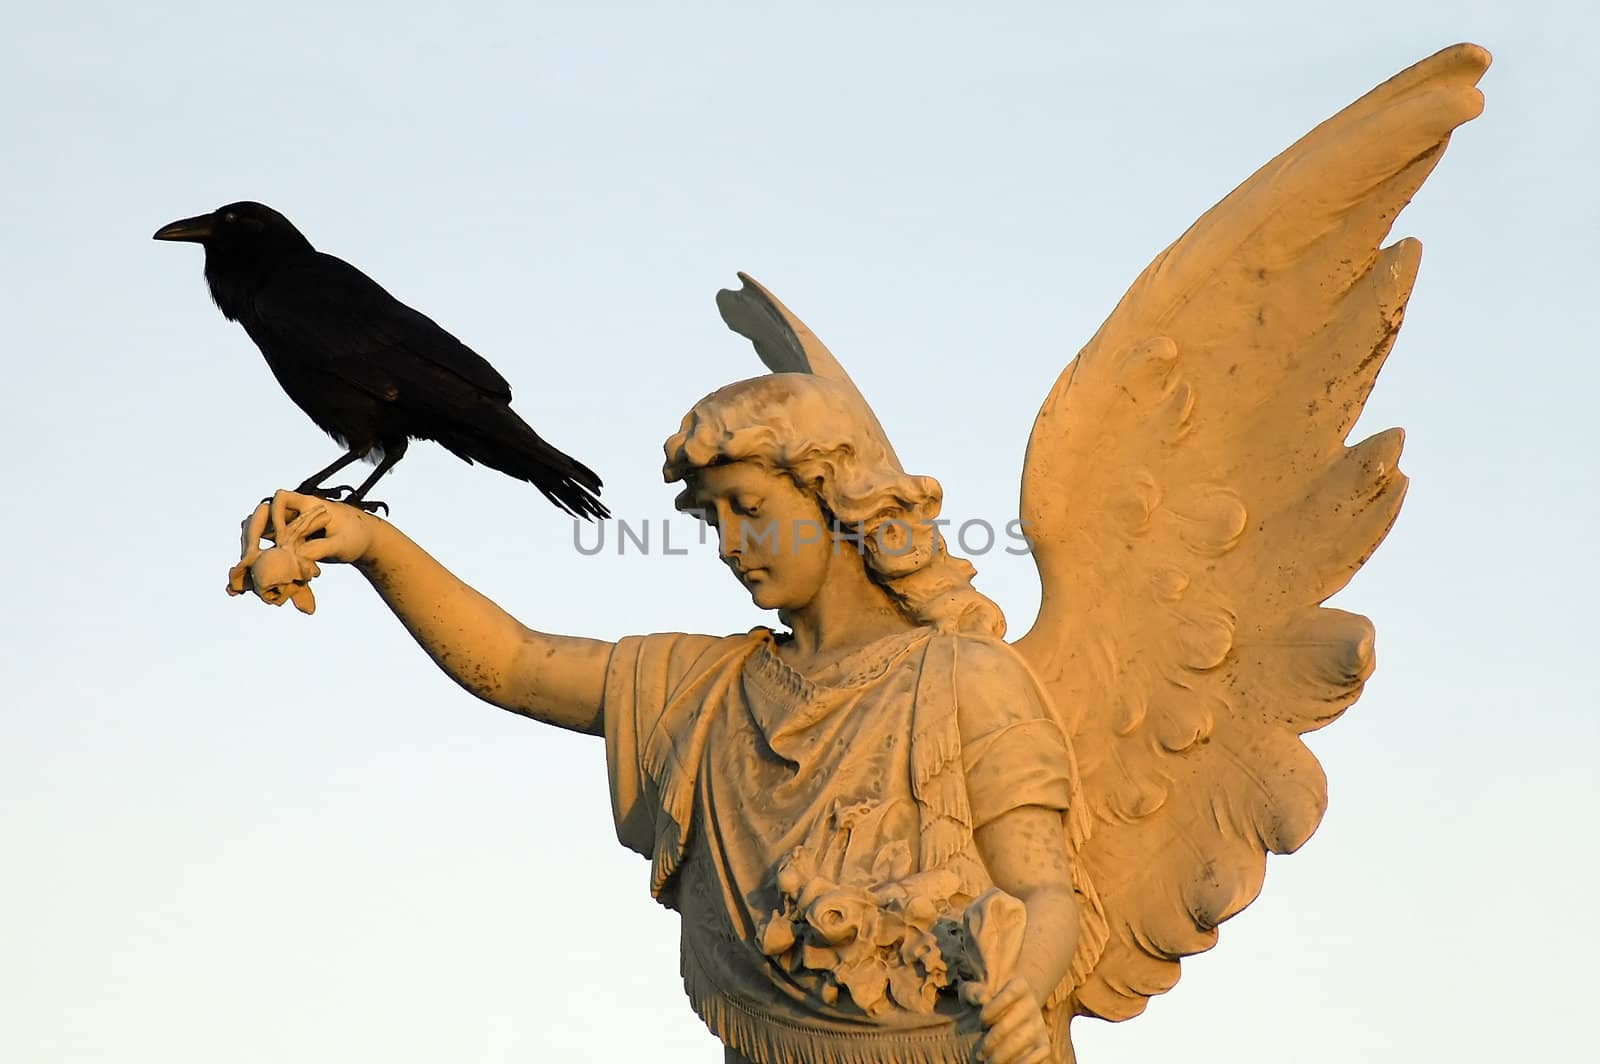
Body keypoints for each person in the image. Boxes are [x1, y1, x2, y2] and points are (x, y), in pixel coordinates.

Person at [265, 372, 1083, 1064]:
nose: (729, 544)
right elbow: (513, 664)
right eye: (709, 520)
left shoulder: (964, 678)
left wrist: (1024, 993)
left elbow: (1043, 886)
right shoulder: (703, 685)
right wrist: (369, 542)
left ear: (831, 493)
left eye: (748, 507)